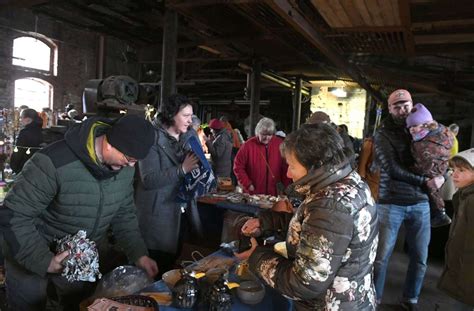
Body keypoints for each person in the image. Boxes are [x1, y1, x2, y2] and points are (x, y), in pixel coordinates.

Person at [2, 114, 158, 310]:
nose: (132, 165)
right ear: (109, 144)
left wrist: (138, 254)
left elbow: (124, 214)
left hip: (76, 264)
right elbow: (14, 215)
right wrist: (44, 261)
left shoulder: (124, 168)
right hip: (29, 257)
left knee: (72, 305)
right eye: (129, 158)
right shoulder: (53, 162)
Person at [235, 123, 378, 310]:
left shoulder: (330, 205)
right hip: (353, 297)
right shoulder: (346, 182)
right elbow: (316, 228)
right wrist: (266, 221)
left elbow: (303, 284)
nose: (287, 173)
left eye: (292, 166)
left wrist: (257, 257)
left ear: (315, 166)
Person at [373, 89, 444, 310]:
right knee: (381, 257)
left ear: (412, 103)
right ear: (390, 108)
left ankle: (410, 298)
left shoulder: (426, 125)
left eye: (406, 104)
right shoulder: (382, 134)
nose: (403, 110)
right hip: (391, 201)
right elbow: (391, 168)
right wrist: (426, 182)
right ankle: (374, 298)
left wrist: (443, 175)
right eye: (397, 106)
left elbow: (442, 154)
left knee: (420, 257)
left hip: (420, 202)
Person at [135, 94, 201, 278]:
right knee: (154, 270)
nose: (191, 120)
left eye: (191, 115)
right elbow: (148, 179)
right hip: (157, 216)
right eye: (186, 116)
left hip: (180, 215)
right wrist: (182, 169)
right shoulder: (150, 138)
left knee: (172, 264)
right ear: (171, 115)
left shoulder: (186, 136)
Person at [405, 103, 454, 227]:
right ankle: (440, 213)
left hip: (434, 172)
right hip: (444, 168)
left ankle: (439, 214)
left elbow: (423, 167)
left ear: (426, 124)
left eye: (414, 126)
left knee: (431, 187)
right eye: (409, 127)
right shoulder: (443, 132)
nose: (411, 130)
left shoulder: (424, 145)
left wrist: (410, 168)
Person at [438, 148, 474, 310]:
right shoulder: (463, 196)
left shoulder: (471, 201)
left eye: (462, 170)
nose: (454, 174)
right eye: (453, 170)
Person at [233, 117, 291, 196]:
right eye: (263, 134)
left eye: (270, 134)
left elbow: (286, 167)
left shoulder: (280, 144)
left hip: (274, 194)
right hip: (253, 193)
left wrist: (286, 186)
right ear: (257, 132)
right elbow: (238, 166)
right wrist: (247, 184)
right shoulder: (248, 145)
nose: (267, 137)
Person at [10, 108, 44, 174]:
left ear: (28, 119)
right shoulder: (42, 131)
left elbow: (18, 152)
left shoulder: (25, 132)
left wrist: (14, 167)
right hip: (38, 168)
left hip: (24, 167)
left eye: (21, 118)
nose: (20, 120)